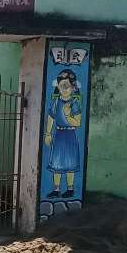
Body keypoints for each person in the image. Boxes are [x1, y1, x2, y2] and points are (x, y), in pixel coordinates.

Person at [44, 68, 82, 198]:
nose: (64, 89)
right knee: (57, 163)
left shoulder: (74, 103)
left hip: (70, 135)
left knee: (70, 163)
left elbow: (77, 122)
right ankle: (56, 189)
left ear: (73, 88)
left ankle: (70, 189)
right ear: (58, 87)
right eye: (62, 86)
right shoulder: (56, 102)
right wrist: (48, 133)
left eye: (67, 86)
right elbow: (51, 117)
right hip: (59, 135)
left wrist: (68, 116)